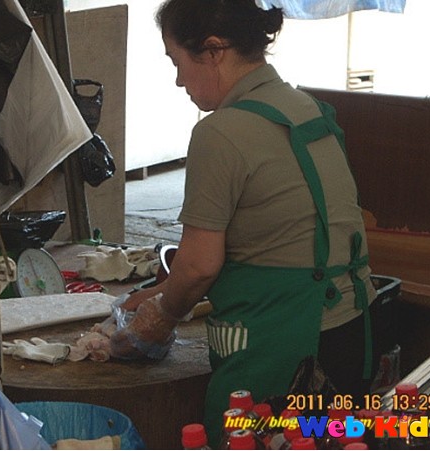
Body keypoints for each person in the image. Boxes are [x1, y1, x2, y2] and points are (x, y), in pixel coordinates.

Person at [109, 0, 379, 446]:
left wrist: (161, 317)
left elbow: (199, 266)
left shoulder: (220, 132)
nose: (178, 80)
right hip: (352, 331)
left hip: (289, 349)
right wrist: (159, 292)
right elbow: (280, 239)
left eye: (177, 62)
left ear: (214, 51)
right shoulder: (308, 108)